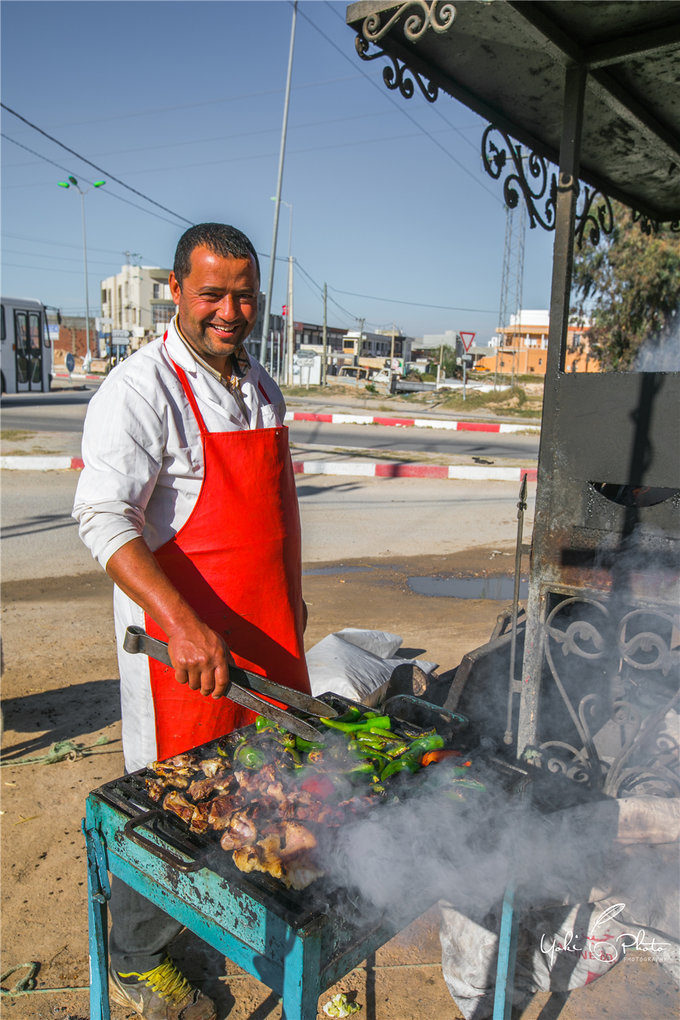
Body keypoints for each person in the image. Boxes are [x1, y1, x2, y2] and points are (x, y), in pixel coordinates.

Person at [73, 222, 310, 1020]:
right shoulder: (140, 391)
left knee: (259, 788)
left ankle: (217, 919)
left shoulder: (262, 385)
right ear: (175, 289)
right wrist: (180, 622)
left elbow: (279, 511)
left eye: (243, 295)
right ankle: (140, 962)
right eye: (211, 293)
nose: (228, 310)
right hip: (183, 658)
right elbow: (103, 519)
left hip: (265, 640)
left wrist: (295, 598)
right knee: (174, 804)